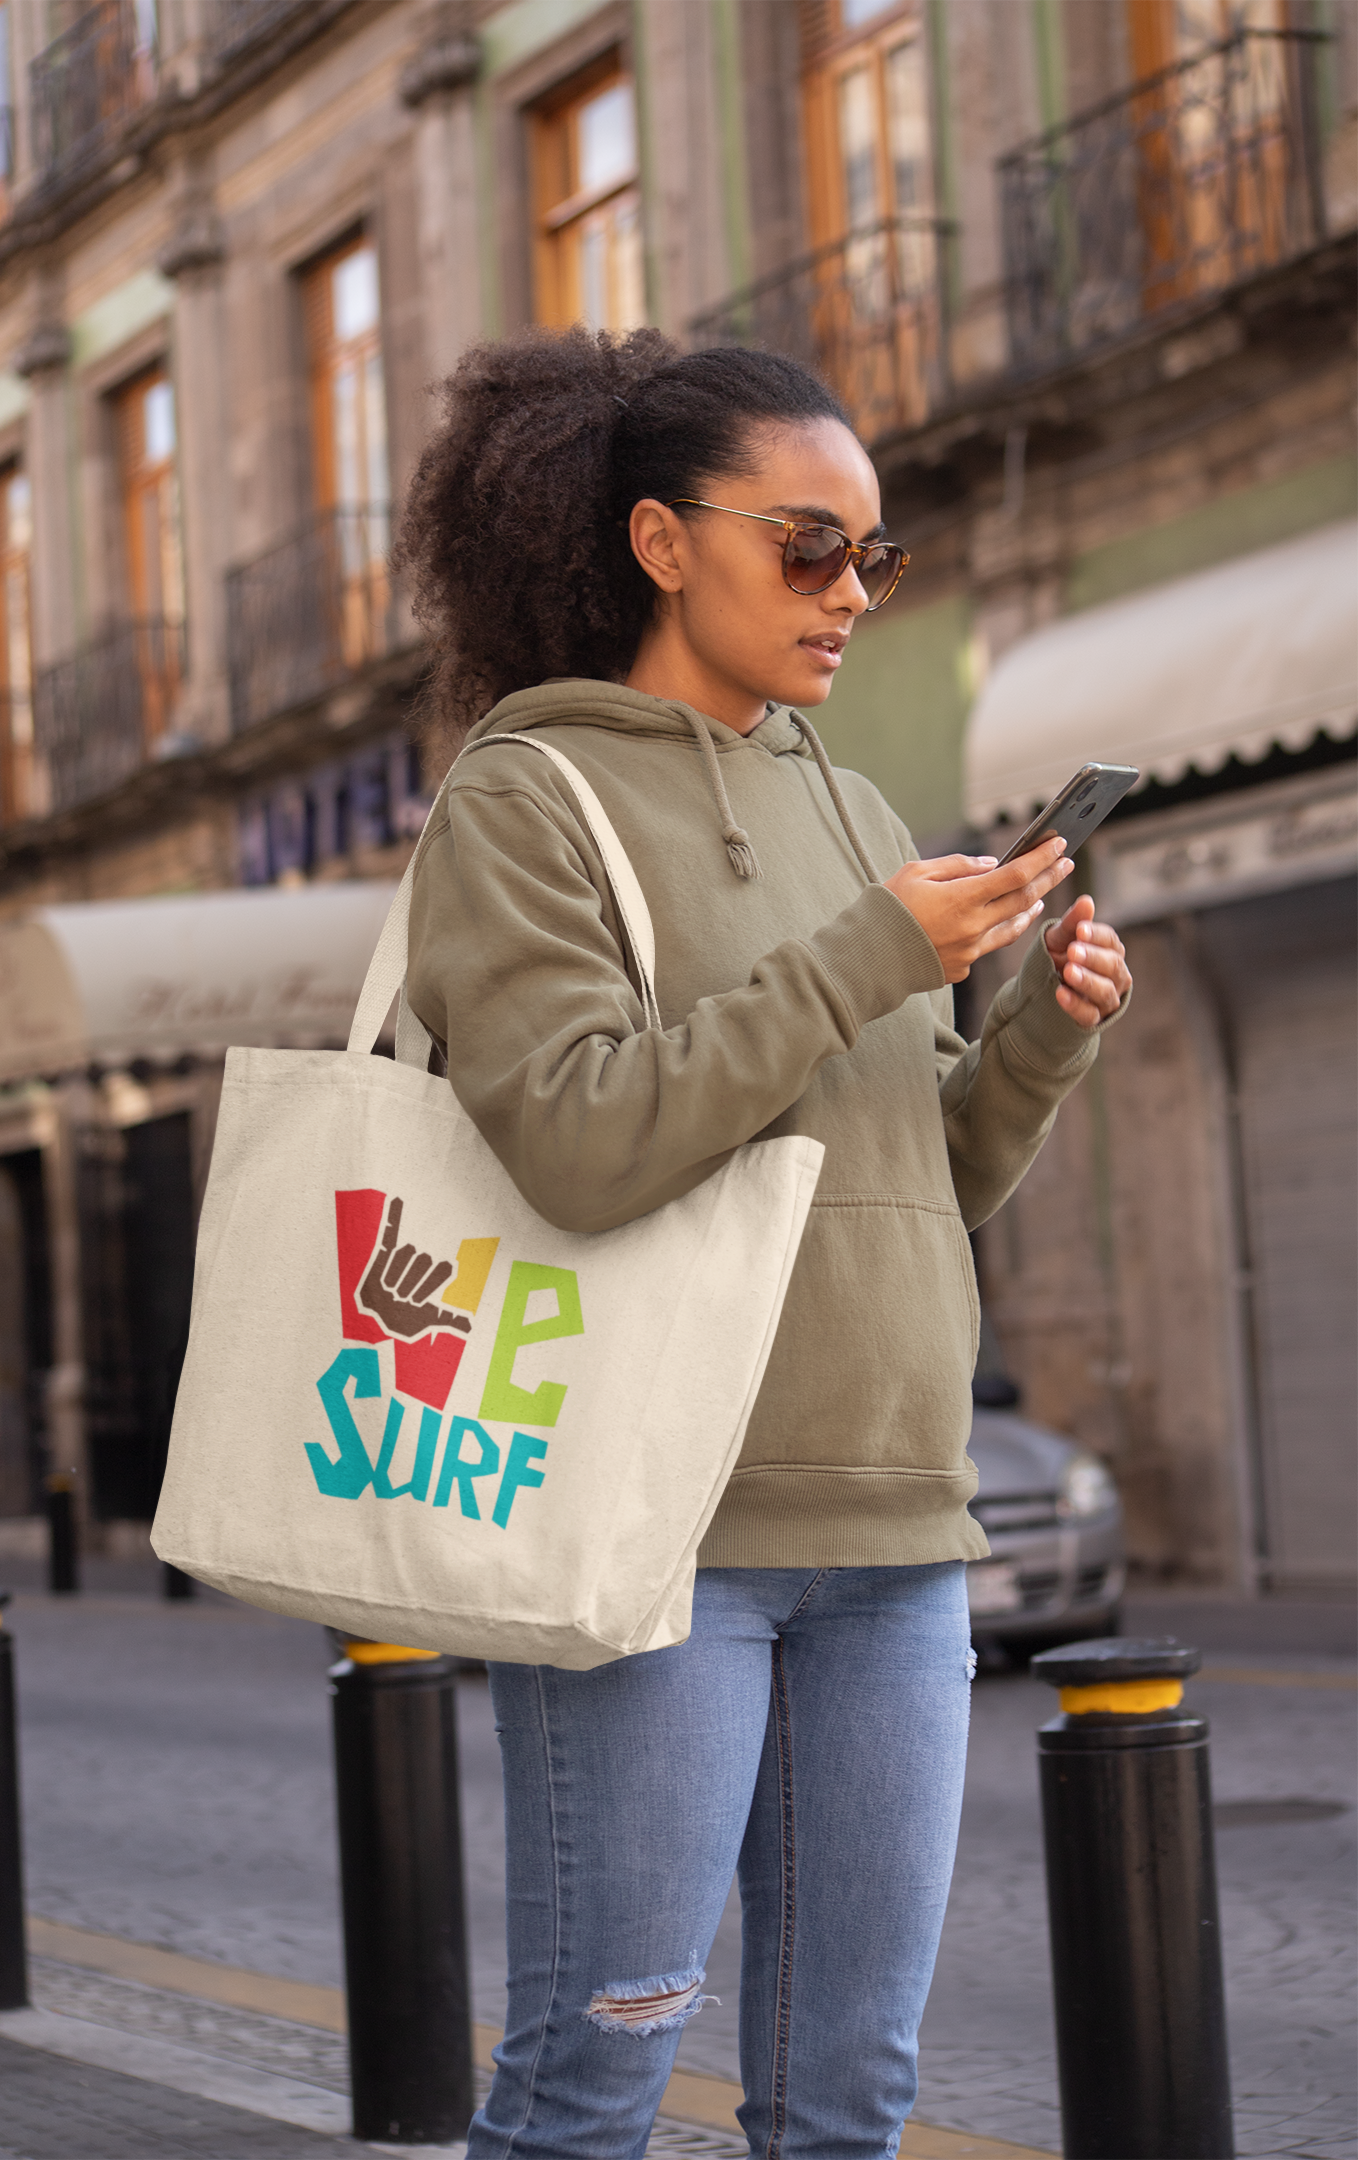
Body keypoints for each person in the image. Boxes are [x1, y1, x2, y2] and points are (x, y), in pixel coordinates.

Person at [397, 325, 1131, 2160]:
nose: (851, 595)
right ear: (661, 542)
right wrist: (871, 954)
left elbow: (925, 1179)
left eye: (872, 556)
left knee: (849, 2097)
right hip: (659, 1539)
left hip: (899, 1530)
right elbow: (579, 1139)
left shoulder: (854, 810)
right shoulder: (526, 798)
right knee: (591, 2089)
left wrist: (1038, 1038)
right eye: (808, 549)